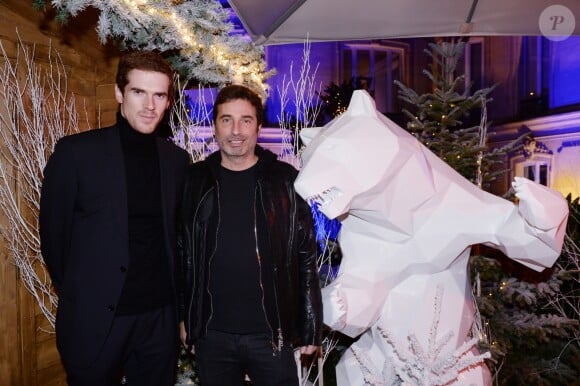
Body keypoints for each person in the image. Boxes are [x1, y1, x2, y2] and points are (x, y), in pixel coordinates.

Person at [39, 51, 190, 386]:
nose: (150, 105)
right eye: (139, 92)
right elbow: (54, 239)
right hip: (97, 320)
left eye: (159, 95)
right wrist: (85, 292)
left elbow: (178, 237)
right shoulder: (76, 153)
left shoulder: (177, 161)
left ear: (167, 102)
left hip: (158, 320)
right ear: (120, 93)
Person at [177, 84, 323, 385]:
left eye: (245, 120)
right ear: (215, 126)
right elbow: (182, 254)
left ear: (258, 126)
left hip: (271, 336)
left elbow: (306, 256)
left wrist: (310, 325)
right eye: (226, 119)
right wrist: (185, 318)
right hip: (212, 334)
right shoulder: (194, 180)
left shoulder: (285, 180)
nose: (236, 130)